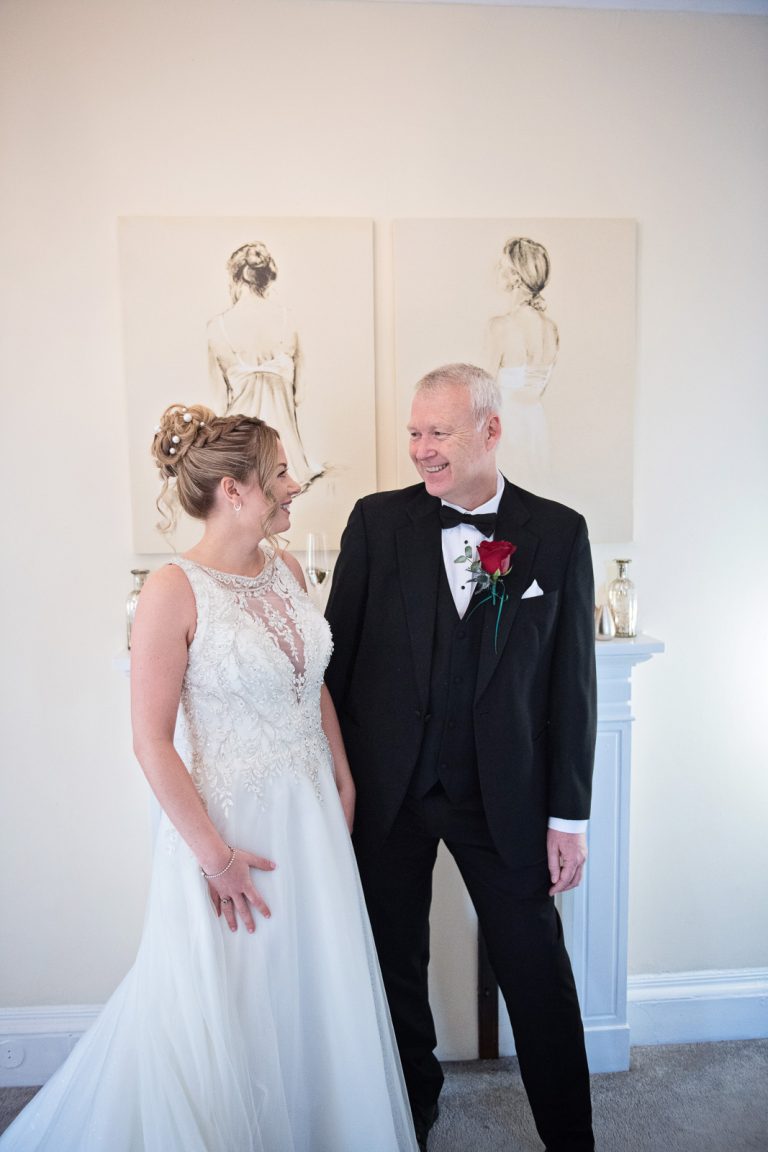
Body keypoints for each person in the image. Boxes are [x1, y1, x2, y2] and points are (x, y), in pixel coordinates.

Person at [1, 405, 417, 1152]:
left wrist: (343, 774)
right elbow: (151, 743)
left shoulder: (287, 569)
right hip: (228, 828)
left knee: (312, 987)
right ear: (234, 489)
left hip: (311, 813)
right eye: (279, 473)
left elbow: (309, 678)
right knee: (235, 1000)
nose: (294, 486)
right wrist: (217, 859)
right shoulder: (171, 589)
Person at [325, 364, 597, 1152]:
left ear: (490, 430)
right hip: (389, 791)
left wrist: (568, 818)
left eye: (437, 432)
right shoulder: (376, 523)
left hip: (502, 797)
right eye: (413, 432)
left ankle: (570, 1136)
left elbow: (571, 687)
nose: (420, 450)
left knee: (536, 971)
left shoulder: (559, 532)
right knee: (392, 961)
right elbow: (333, 670)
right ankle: (412, 1108)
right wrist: (332, 784)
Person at [207, 241, 324, 488]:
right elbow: (301, 392)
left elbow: (219, 402)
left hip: (240, 456)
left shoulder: (217, 327)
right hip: (290, 459)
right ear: (267, 278)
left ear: (236, 277)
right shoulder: (287, 319)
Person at [486, 237, 560, 489]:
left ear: (515, 276)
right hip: (536, 423)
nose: (496, 271)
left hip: (508, 426)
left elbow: (483, 391)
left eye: (501, 266)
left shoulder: (501, 326)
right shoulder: (550, 328)